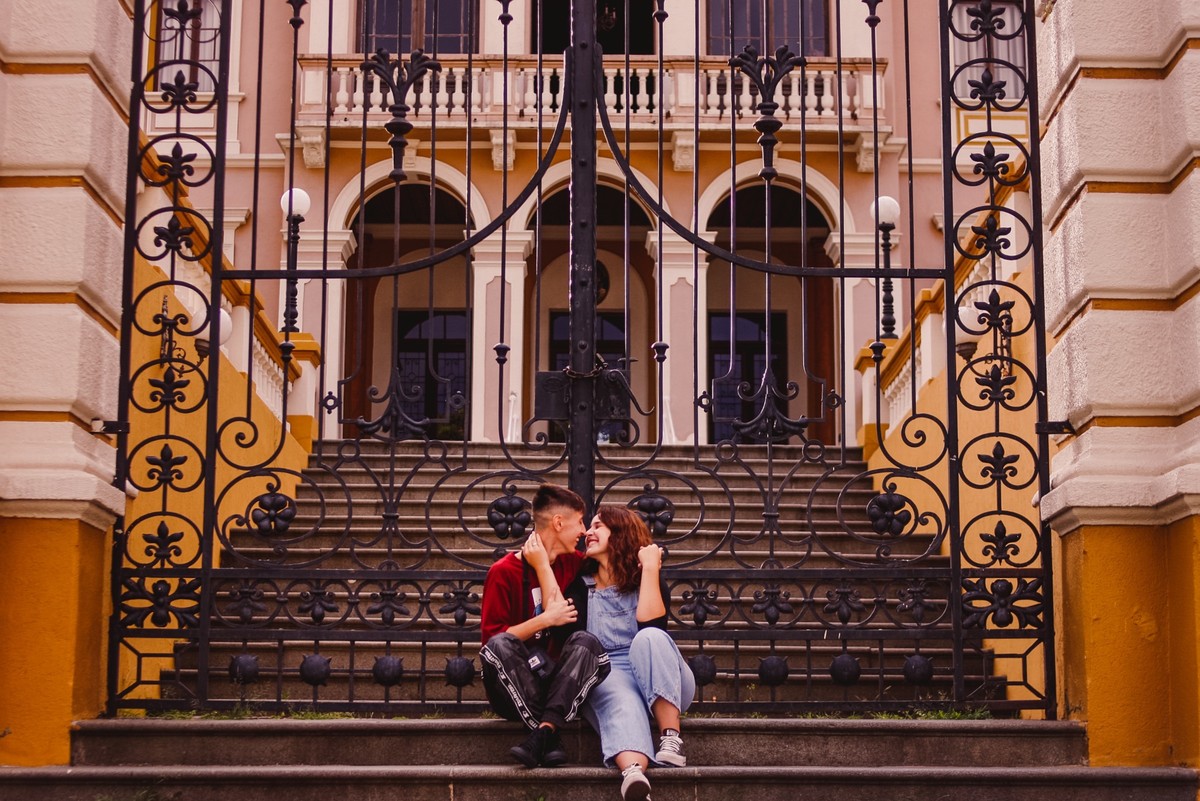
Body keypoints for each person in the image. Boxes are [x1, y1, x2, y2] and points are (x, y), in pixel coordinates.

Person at [569, 505, 696, 801]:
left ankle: (670, 738)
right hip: (610, 671)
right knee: (617, 695)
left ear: (621, 533)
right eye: (590, 526)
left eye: (599, 526)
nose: (589, 532)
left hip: (663, 678)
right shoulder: (579, 585)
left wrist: (650, 568)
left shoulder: (646, 579)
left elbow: (653, 627)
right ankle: (634, 776)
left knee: (649, 638)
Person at [479, 484, 610, 768]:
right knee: (501, 644)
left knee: (587, 642)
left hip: (559, 683)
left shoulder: (575, 564)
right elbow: (492, 645)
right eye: (579, 522)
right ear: (559, 522)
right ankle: (550, 727)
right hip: (514, 684)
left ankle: (541, 735)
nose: (584, 531)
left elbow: (615, 563)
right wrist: (545, 620)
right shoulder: (502, 572)